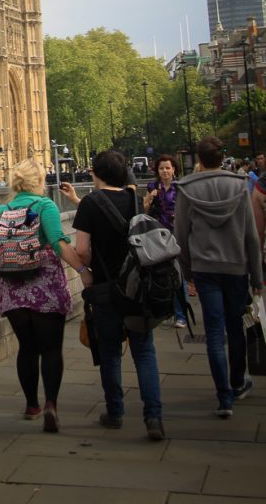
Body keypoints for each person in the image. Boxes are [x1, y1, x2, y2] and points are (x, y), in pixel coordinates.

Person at [61, 149, 165, 441]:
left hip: (106, 288)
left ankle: (115, 412)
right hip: (137, 285)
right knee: (144, 351)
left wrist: (86, 268)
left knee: (109, 353)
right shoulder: (135, 199)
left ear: (96, 173)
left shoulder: (90, 205)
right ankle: (153, 416)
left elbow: (81, 250)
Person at [0, 158, 93, 433]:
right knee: (50, 349)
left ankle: (31, 404)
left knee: (26, 348)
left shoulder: (1, 210)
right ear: (38, 182)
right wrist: (83, 270)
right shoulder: (44, 206)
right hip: (44, 285)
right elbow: (59, 242)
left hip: (11, 288)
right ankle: (51, 404)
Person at [174, 135, 263, 418]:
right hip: (236, 268)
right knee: (236, 327)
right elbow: (251, 236)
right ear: (222, 156)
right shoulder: (239, 186)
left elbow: (180, 236)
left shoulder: (187, 189)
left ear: (199, 159)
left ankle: (224, 398)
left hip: (204, 269)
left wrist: (188, 271)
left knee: (214, 331)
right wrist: (257, 277)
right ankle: (237, 383)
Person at [143, 153, 189, 328]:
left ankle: (180, 314)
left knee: (178, 274)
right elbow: (144, 209)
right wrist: (150, 198)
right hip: (158, 235)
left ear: (174, 169)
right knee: (162, 274)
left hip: (177, 234)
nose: (164, 171)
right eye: (161, 168)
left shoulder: (180, 187)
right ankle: (168, 310)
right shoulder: (153, 186)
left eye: (167, 168)